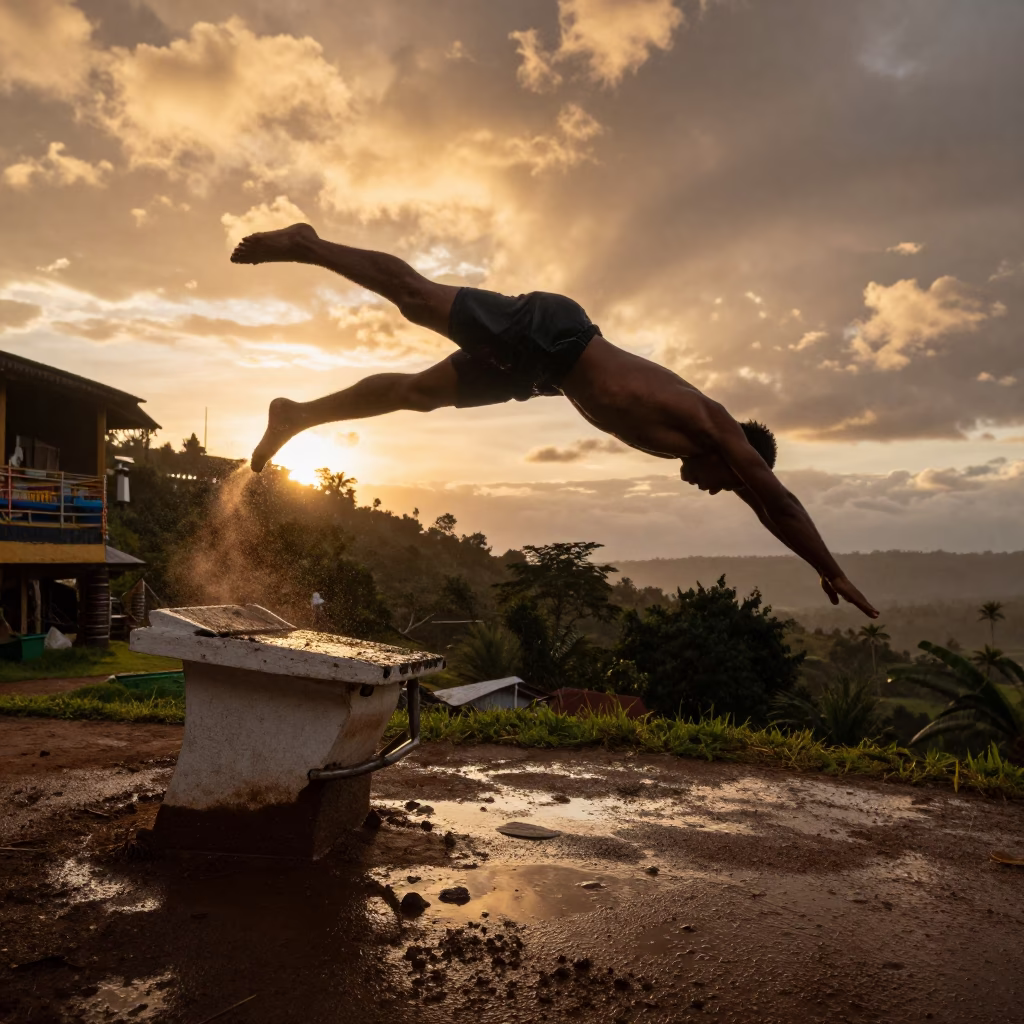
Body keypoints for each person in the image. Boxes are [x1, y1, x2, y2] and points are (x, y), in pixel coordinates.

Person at [231, 223, 878, 618]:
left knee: (418, 394)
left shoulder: (703, 446)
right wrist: (829, 567)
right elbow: (778, 502)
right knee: (417, 299)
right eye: (723, 482)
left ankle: (297, 416)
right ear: (743, 457)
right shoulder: (713, 426)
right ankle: (307, 244)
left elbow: (764, 509)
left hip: (539, 372)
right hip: (552, 332)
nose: (712, 489)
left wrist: (809, 561)